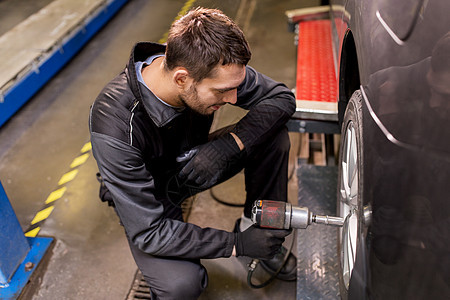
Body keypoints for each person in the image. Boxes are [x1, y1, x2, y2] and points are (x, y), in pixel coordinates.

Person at [90, 7, 296, 299]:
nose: (234, 99)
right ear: (181, 79)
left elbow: (281, 97)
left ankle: (263, 232)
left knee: (272, 135)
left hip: (194, 163)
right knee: (181, 286)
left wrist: (233, 142)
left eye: (236, 87)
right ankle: (249, 241)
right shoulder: (114, 125)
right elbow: (149, 233)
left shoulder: (208, 62)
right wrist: (236, 244)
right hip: (150, 196)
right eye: (223, 91)